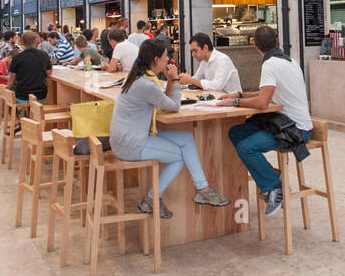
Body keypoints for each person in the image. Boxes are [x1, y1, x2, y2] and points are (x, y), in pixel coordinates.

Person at [110, 37, 229, 218]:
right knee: (178, 156)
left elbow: (164, 102)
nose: (168, 60)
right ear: (156, 59)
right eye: (165, 56)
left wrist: (171, 81)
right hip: (132, 144)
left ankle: (203, 189)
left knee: (187, 139)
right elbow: (173, 106)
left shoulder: (137, 78)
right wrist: (174, 79)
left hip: (127, 138)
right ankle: (151, 199)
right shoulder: (146, 85)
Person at [225, 25, 313, 216]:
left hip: (294, 130)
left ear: (255, 46)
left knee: (246, 147)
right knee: (235, 132)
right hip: (288, 124)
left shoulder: (270, 64)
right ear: (277, 42)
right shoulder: (289, 60)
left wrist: (235, 102)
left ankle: (276, 188)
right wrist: (240, 94)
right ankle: (272, 174)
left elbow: (263, 102)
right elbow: (266, 92)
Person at [8, 30, 52, 104]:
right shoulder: (44, 55)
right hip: (41, 94)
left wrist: (8, 88)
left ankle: (20, 114)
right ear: (35, 40)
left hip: (22, 95)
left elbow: (12, 79)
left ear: (21, 42)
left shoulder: (17, 57)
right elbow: (49, 72)